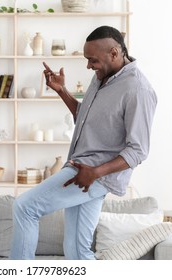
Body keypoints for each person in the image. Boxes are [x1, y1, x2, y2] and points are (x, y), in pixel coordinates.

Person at [10, 26, 157, 260]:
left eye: (92, 60)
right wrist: (61, 91)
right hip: (83, 170)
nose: (89, 66)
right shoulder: (101, 77)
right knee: (77, 251)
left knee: (25, 207)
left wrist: (95, 173)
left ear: (114, 53)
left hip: (95, 174)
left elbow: (138, 150)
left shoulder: (137, 89)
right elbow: (84, 117)